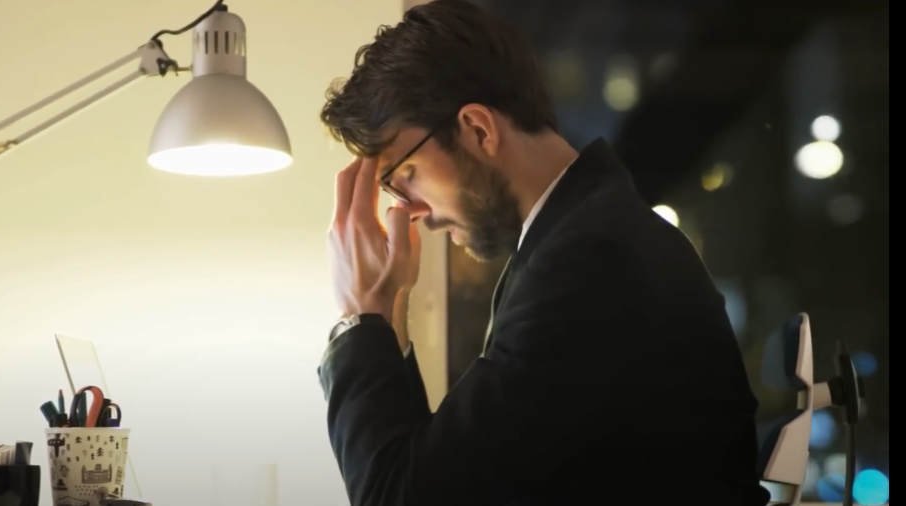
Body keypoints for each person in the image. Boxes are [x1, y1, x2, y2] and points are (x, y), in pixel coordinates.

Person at [317, 1, 769, 505]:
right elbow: (445, 469)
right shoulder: (583, 238)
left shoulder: (589, 264)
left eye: (406, 177)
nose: (411, 210)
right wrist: (391, 313)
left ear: (478, 130)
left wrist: (361, 316)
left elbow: (400, 497)